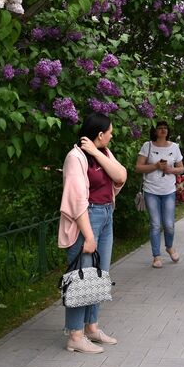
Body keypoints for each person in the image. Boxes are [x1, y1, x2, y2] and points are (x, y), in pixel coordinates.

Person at [58, 112, 127, 354]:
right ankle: (75, 335)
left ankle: (91, 328)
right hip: (87, 219)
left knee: (99, 274)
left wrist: (98, 152)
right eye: (109, 132)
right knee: (82, 277)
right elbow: (76, 200)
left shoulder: (103, 153)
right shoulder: (75, 157)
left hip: (106, 215)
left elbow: (121, 176)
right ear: (100, 134)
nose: (112, 135)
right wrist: (88, 236)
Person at [134, 121, 184, 268]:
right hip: (151, 191)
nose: (163, 130)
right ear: (155, 131)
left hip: (169, 190)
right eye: (160, 128)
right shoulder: (147, 146)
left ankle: (169, 247)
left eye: (165, 128)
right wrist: (155, 166)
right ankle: (156, 256)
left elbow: (181, 168)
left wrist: (171, 170)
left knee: (169, 224)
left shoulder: (174, 147)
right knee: (155, 224)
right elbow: (138, 167)